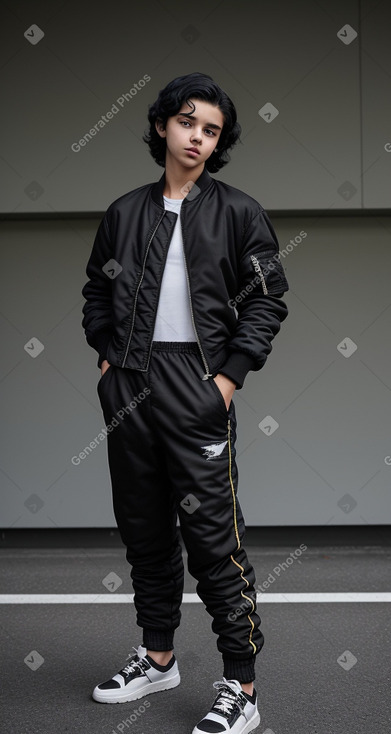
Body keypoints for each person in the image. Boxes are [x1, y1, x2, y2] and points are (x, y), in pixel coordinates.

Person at [81, 71, 289, 734]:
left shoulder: (237, 212)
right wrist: (108, 355)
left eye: (211, 130)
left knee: (212, 540)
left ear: (217, 142)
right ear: (162, 126)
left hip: (196, 386)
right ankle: (158, 655)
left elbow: (265, 299)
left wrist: (226, 379)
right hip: (132, 386)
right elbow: (95, 292)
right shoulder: (123, 213)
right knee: (144, 531)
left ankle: (240, 687)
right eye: (187, 123)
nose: (197, 137)